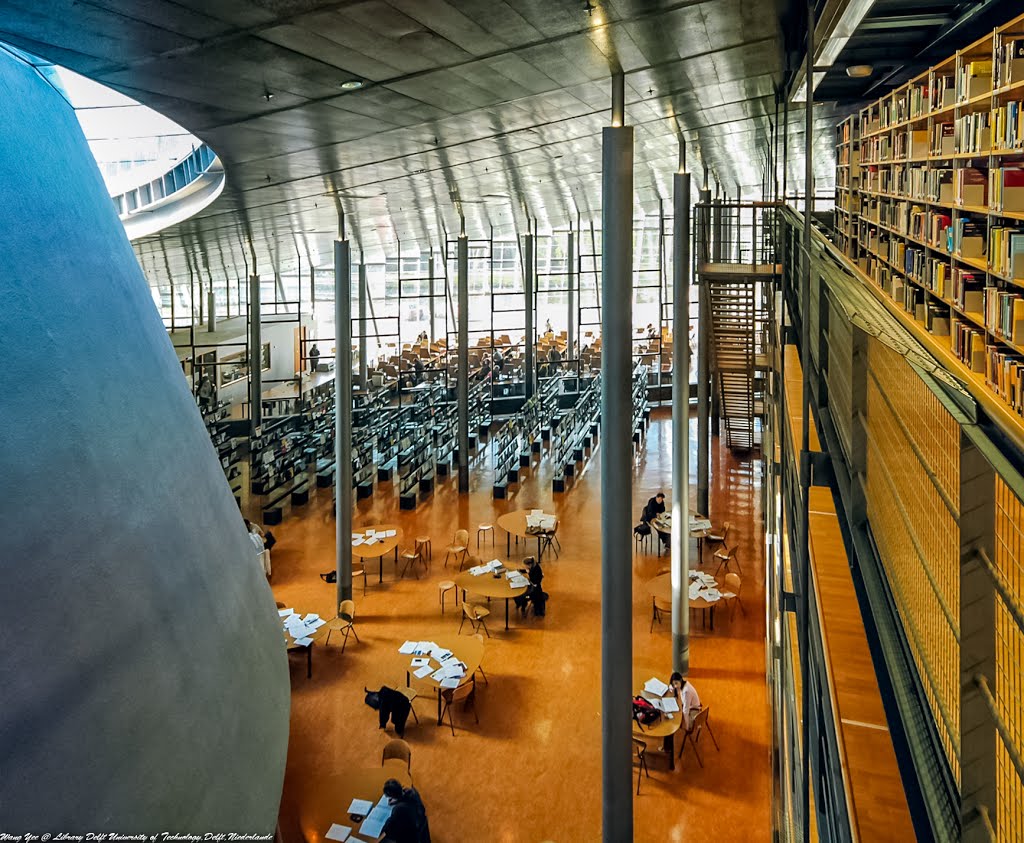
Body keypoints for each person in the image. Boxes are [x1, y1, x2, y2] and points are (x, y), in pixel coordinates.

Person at [380, 778, 431, 843]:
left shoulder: (399, 809)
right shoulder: (412, 792)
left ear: (392, 796)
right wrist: (397, 800)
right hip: (420, 829)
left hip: (410, 837)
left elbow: (388, 828)